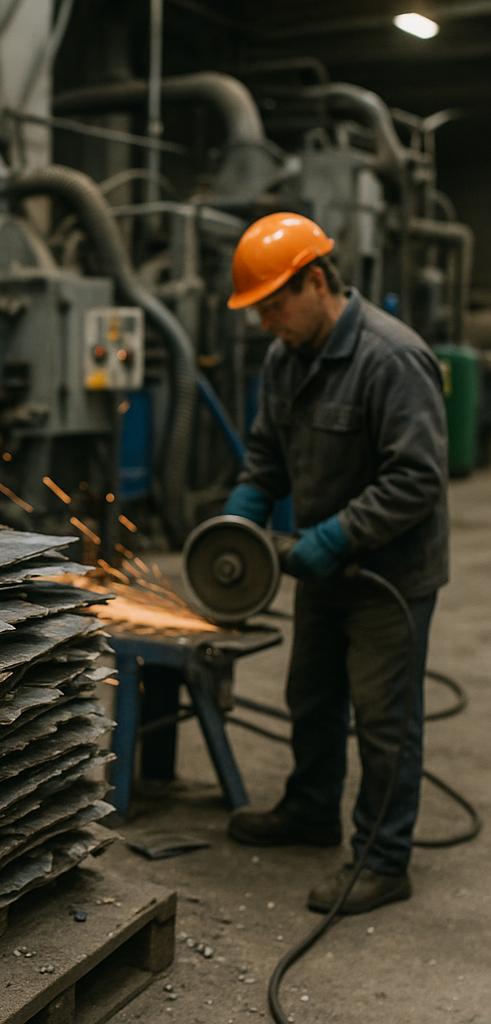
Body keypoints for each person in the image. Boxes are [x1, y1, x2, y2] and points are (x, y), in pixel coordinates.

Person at [222, 213, 449, 914]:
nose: (266, 323)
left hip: (389, 576)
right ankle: (311, 810)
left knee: (384, 720)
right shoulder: (285, 358)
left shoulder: (392, 359)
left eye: (272, 306)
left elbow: (417, 478)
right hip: (324, 568)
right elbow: (267, 454)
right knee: (312, 697)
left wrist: (333, 538)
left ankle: (383, 861)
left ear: (316, 281)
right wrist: (240, 519)